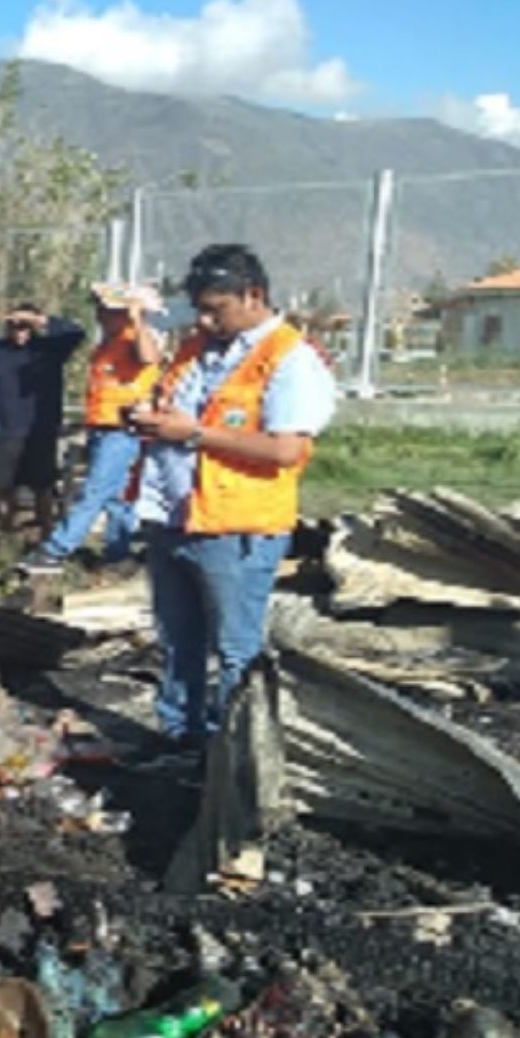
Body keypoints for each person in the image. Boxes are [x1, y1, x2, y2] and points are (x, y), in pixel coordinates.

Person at [127, 244, 336, 746]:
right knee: (179, 642)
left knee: (236, 647)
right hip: (173, 515)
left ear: (254, 295)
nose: (203, 319)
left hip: (236, 527)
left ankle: (234, 754)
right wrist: (151, 418)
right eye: (199, 307)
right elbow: (176, 407)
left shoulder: (290, 359)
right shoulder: (198, 347)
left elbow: (286, 448)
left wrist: (194, 434)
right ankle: (180, 739)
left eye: (215, 308)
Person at [22, 284, 164, 570]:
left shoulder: (137, 338)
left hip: (122, 430)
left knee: (94, 491)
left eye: (107, 310)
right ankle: (118, 553)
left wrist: (137, 319)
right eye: (99, 308)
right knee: (115, 497)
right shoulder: (108, 343)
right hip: (103, 426)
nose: (100, 314)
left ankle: (55, 550)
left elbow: (149, 358)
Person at [0, 303, 85, 534]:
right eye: (14, 326)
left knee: (42, 485)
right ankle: (4, 530)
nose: (19, 331)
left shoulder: (48, 350)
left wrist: (40, 319)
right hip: (4, 429)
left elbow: (76, 333)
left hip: (39, 430)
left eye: (25, 327)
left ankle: (46, 531)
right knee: (3, 485)